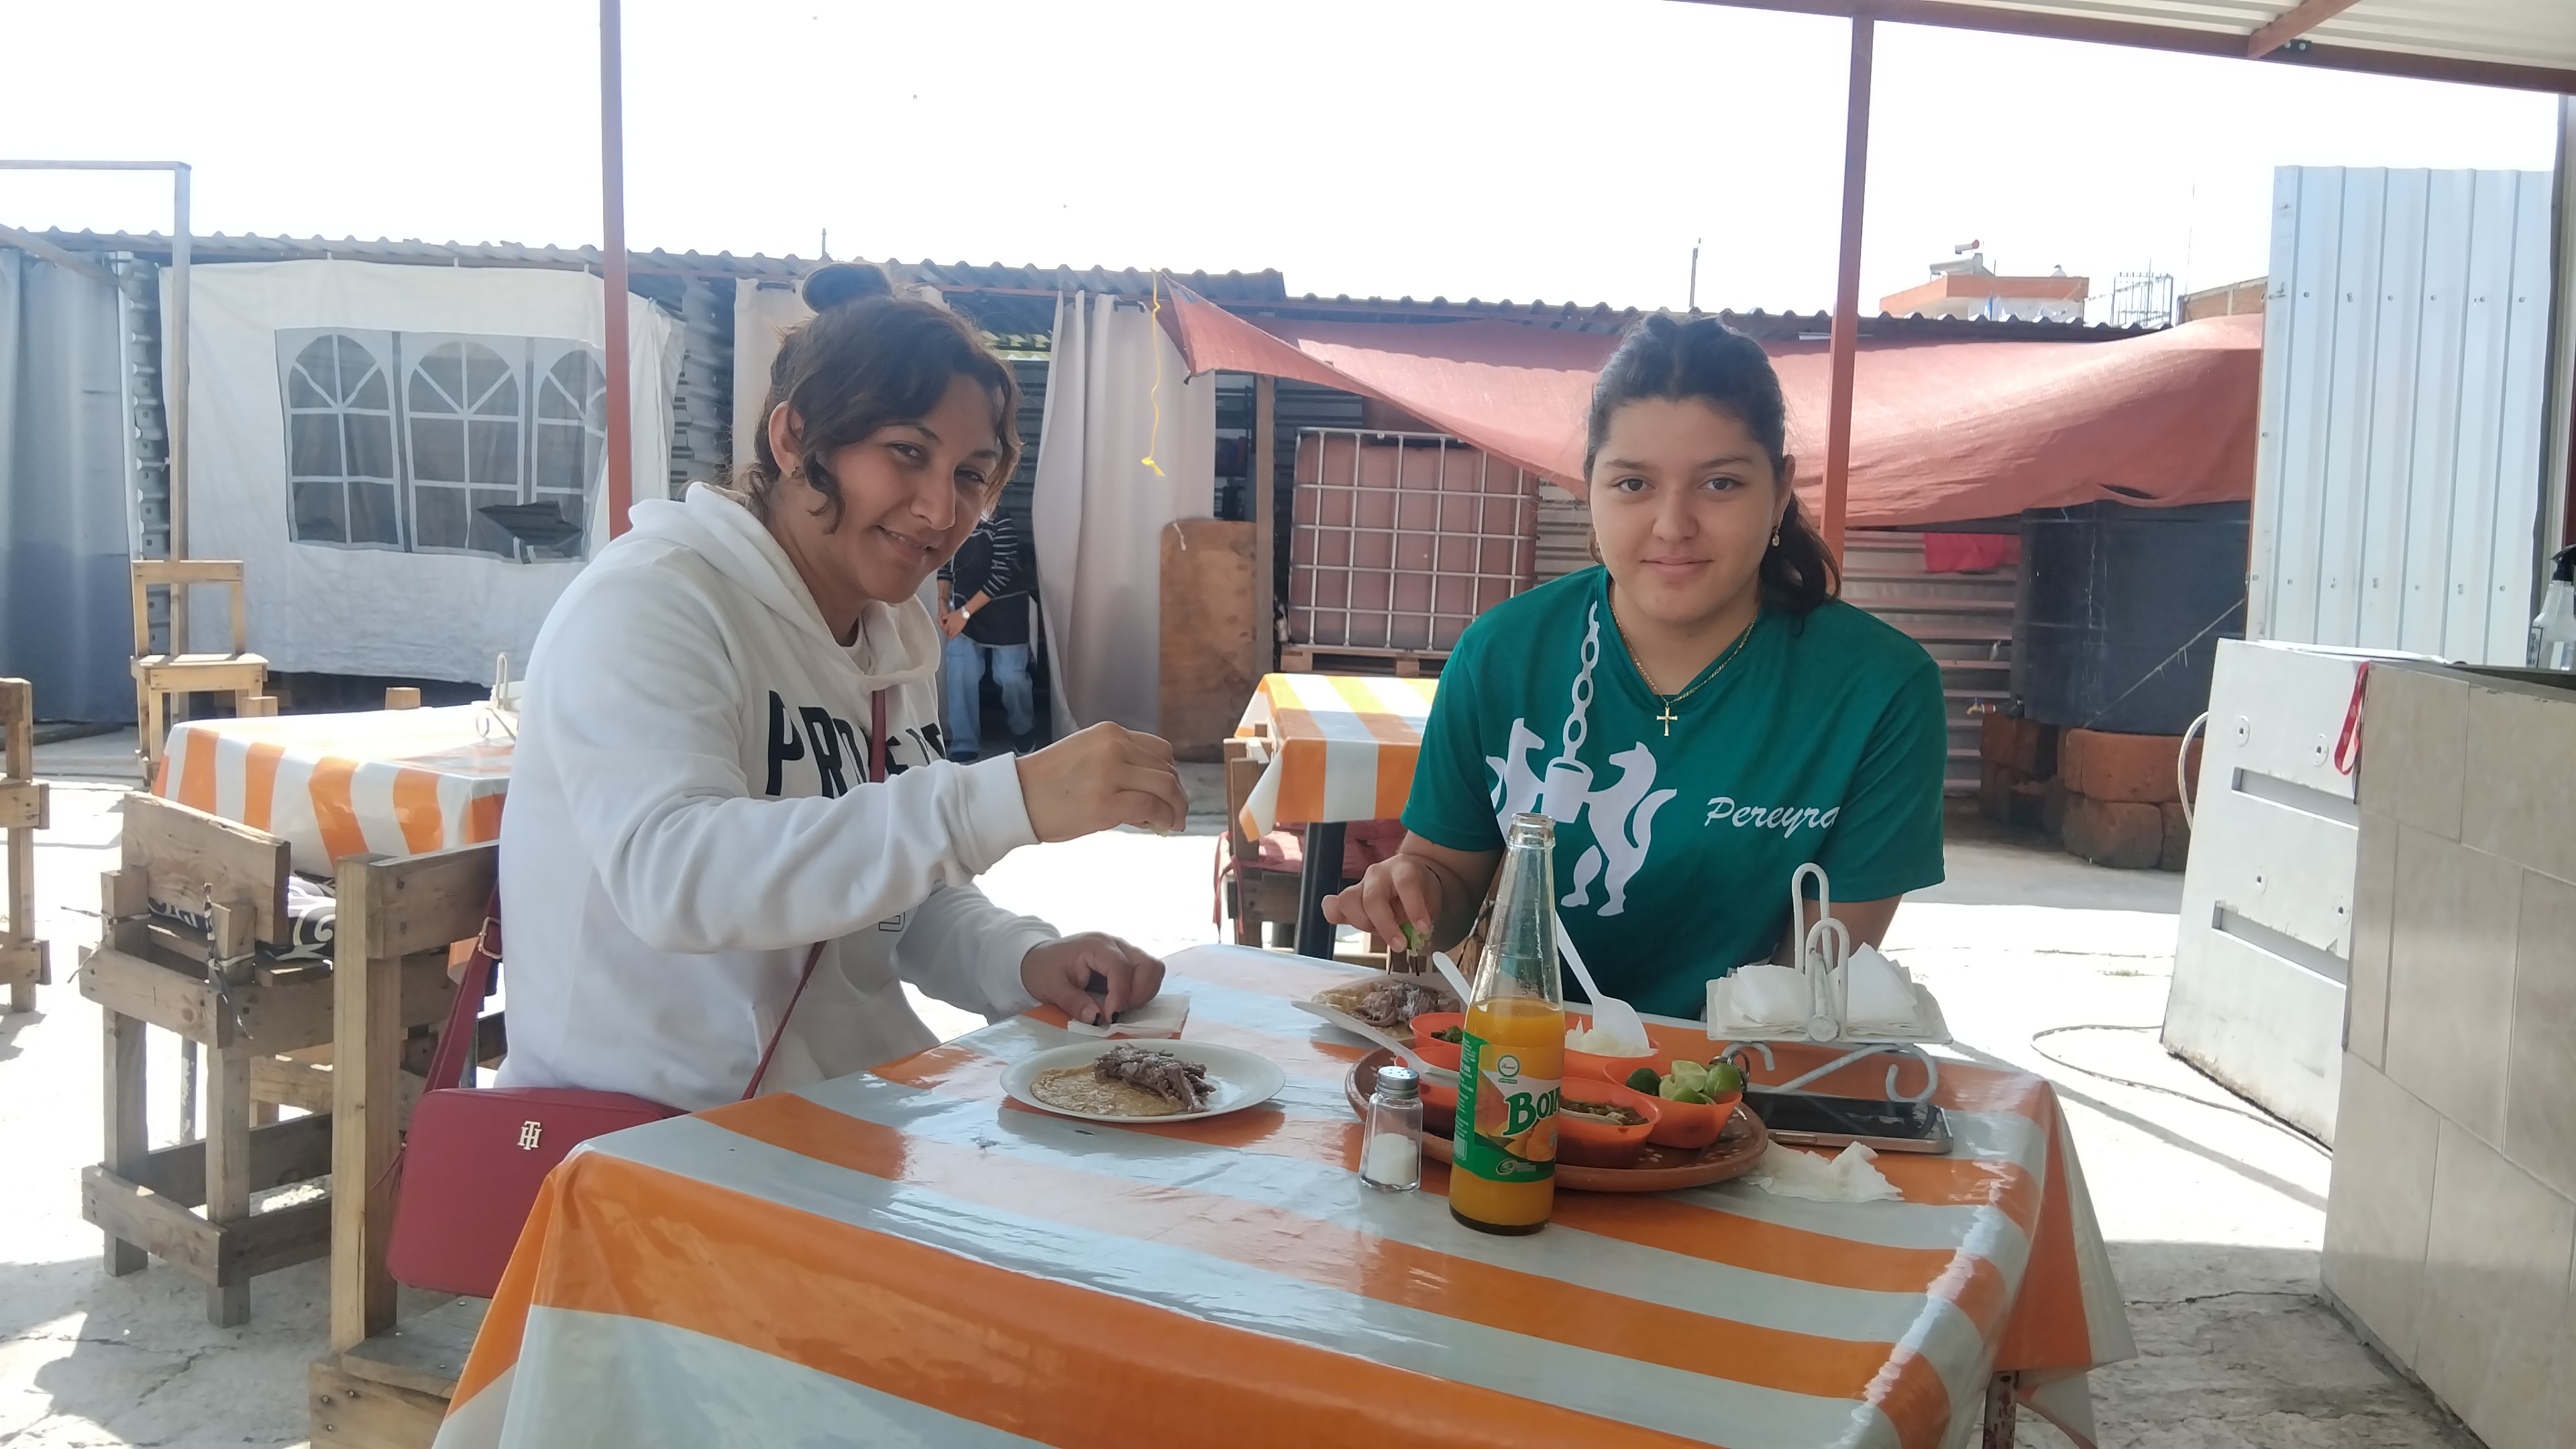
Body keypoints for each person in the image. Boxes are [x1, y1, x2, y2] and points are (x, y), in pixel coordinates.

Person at [495, 263, 1189, 1110]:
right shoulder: (652, 600)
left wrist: (1023, 959)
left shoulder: (892, 635)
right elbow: (671, 878)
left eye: (971, 474)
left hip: (847, 1116)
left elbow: (895, 902)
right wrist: (1002, 799)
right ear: (794, 442)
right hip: (649, 1140)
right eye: (907, 453)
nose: (941, 510)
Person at [1322, 314, 1947, 1018]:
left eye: (1720, 484)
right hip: (1517, 1060)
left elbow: (1813, 978)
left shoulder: (1880, 690)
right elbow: (1449, 884)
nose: (1673, 524)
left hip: (1742, 1082)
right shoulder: (1500, 656)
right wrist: (1412, 891)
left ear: (1779, 493)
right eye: (1633, 485)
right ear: (1589, 489)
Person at [938, 508, 1038, 759]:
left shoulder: (1001, 519)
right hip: (963, 609)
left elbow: (1003, 572)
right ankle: (964, 743)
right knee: (961, 674)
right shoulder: (952, 520)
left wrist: (964, 614)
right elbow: (944, 564)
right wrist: (943, 602)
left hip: (1005, 611)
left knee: (1011, 677)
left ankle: (1023, 729)